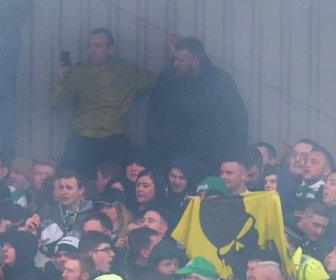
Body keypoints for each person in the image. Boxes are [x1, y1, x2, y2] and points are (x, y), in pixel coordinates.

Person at [52, 28, 155, 179]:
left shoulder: (125, 69)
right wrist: (63, 79)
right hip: (85, 137)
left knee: (128, 177)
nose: (92, 51)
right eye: (89, 46)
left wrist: (174, 57)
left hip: (114, 136)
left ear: (110, 50)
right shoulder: (77, 72)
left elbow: (152, 81)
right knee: (68, 178)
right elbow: (57, 103)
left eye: (97, 46)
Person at [146, 36, 247, 171]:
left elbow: (238, 118)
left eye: (180, 60)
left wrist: (232, 155)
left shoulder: (220, 81)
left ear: (195, 61)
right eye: (174, 59)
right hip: (173, 157)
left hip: (211, 158)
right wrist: (158, 149)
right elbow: (153, 116)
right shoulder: (167, 81)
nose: (175, 64)